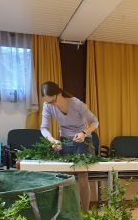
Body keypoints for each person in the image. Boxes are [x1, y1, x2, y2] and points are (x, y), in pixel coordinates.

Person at [39, 81, 99, 211]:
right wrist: (52, 140)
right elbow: (43, 128)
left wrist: (84, 133)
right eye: (48, 102)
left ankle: (85, 213)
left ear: (59, 93)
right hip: (65, 139)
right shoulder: (47, 105)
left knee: (82, 175)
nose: (51, 105)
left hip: (83, 139)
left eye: (53, 101)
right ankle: (66, 211)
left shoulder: (76, 103)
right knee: (63, 176)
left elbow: (95, 122)